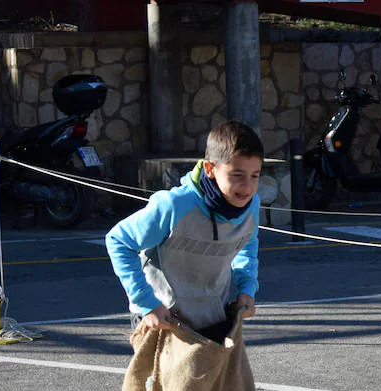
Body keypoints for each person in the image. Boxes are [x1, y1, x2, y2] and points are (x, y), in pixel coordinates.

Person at [105, 119, 263, 342]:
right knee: (162, 379)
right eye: (237, 175)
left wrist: (245, 289)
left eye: (255, 175)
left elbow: (246, 245)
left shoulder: (251, 205)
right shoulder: (174, 205)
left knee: (216, 379)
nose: (247, 186)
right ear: (210, 169)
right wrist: (148, 304)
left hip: (213, 317)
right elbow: (118, 241)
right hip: (164, 320)